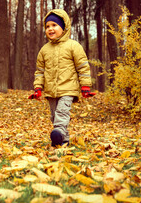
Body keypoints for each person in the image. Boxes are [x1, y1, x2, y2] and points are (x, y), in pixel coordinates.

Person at [28, 9, 95, 147]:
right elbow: (39, 71)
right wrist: (38, 88)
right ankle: (63, 140)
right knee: (54, 117)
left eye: (54, 25)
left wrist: (85, 86)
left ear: (64, 27)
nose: (50, 29)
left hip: (68, 89)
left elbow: (83, 67)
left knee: (61, 113)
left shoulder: (73, 46)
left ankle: (58, 134)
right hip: (51, 91)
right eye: (47, 26)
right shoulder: (44, 50)